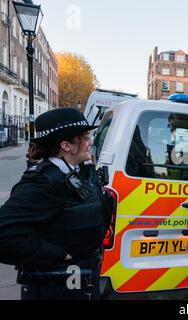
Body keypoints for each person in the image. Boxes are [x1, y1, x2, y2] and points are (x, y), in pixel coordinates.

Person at [0, 108, 113, 300]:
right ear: (67, 146)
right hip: (54, 290)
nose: (90, 142)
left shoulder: (75, 172)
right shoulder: (42, 183)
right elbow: (4, 236)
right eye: (85, 137)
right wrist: (58, 255)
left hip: (81, 284)